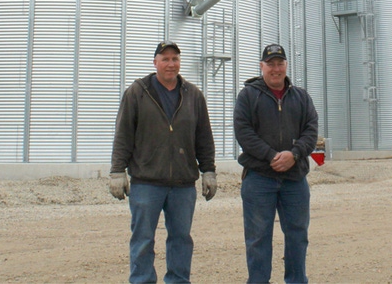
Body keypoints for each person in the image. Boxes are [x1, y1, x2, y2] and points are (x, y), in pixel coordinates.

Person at [109, 41, 217, 284]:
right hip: (146, 182)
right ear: (155, 62)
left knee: (181, 239)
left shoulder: (193, 95)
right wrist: (117, 171)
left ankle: (178, 280)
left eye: (175, 59)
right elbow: (123, 134)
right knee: (143, 239)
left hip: (183, 183)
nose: (171, 64)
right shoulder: (137, 92)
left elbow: (204, 137)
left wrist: (208, 170)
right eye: (165, 59)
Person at [234, 43, 319, 284]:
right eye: (270, 64)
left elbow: (311, 131)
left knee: (297, 235)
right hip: (259, 178)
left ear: (286, 66)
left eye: (280, 63)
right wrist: (272, 155)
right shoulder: (248, 95)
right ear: (262, 67)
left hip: (295, 179)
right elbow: (244, 132)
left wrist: (294, 154)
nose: (276, 69)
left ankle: (296, 280)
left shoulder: (301, 97)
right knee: (258, 237)